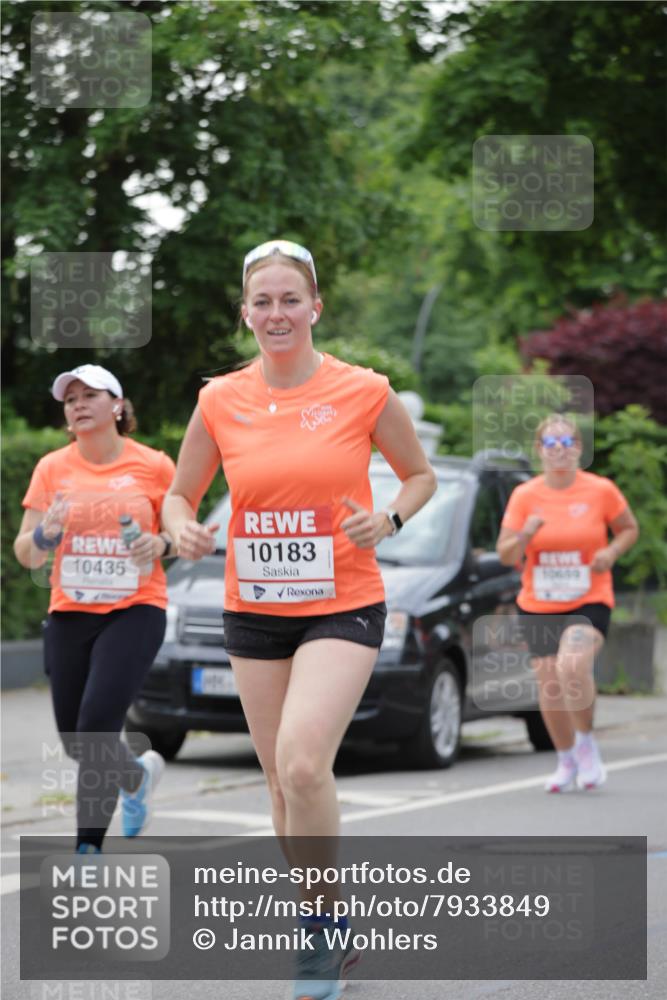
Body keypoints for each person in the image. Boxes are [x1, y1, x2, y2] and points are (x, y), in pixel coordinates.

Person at [161, 239, 437, 1000]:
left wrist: (386, 520)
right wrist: (181, 526)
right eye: (262, 302)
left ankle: (316, 936)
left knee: (305, 762)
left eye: (290, 299)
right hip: (253, 610)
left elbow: (420, 477)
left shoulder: (363, 390)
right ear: (244, 313)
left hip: (343, 601)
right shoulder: (220, 398)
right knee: (282, 786)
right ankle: (327, 921)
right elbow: (180, 494)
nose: (276, 313)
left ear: (315, 306)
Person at [13, 364, 176, 853]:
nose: (78, 404)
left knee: (97, 725)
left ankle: (88, 847)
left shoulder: (155, 465)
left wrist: (159, 542)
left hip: (136, 609)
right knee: (76, 740)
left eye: (90, 395)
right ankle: (135, 777)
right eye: (70, 399)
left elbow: (182, 538)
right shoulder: (53, 468)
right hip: (70, 612)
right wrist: (45, 535)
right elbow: (27, 551)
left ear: (118, 406)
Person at [496, 414, 639, 793]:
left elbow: (628, 528)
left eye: (566, 443)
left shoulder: (601, 490)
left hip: (588, 599)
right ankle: (565, 759)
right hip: (539, 603)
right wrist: (526, 533)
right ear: (539, 451)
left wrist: (610, 551)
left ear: (578, 448)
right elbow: (506, 554)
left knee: (572, 666)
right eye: (550, 444)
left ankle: (587, 742)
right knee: (551, 685)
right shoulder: (525, 495)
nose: (559, 451)